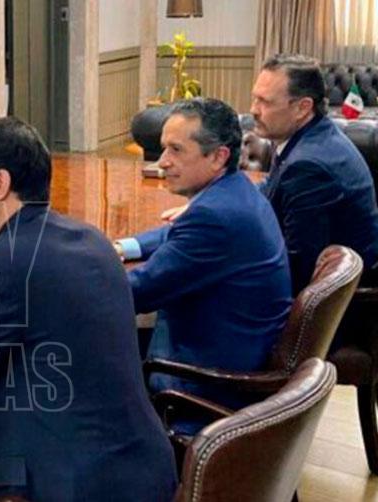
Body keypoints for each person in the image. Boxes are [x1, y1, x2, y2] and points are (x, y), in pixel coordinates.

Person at [0, 118, 176, 501]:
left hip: (73, 487)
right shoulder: (91, 239)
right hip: (145, 469)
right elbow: (50, 310)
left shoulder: (0, 261)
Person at [115, 98, 292, 419]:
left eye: (176, 150)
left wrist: (78, 275)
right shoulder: (236, 190)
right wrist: (125, 247)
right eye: (163, 148)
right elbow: (181, 232)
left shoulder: (214, 216)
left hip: (205, 382)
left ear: (217, 156)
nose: (163, 162)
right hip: (235, 348)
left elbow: (135, 292)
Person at [251, 54, 378, 292]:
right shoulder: (310, 136)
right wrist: (223, 203)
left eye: (265, 102)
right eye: (255, 99)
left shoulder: (308, 165)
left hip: (343, 300)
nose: (253, 110)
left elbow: (298, 266)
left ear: (303, 108)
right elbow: (270, 188)